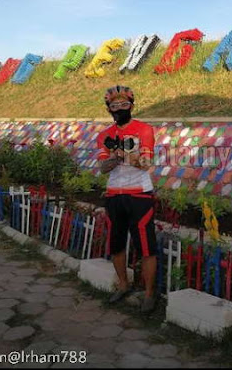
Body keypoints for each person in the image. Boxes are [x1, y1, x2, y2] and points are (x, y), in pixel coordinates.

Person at [96, 85, 157, 313]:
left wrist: (128, 156)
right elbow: (103, 168)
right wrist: (115, 155)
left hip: (139, 193)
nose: (119, 108)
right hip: (114, 194)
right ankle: (123, 285)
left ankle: (150, 294)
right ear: (108, 109)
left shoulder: (144, 129)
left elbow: (146, 163)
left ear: (132, 105)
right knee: (116, 244)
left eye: (124, 104)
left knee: (147, 247)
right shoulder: (104, 136)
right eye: (114, 106)